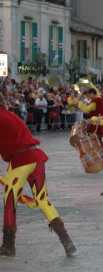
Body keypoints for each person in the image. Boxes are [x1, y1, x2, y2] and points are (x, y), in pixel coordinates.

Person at [0, 93, 76, 257]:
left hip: (20, 161)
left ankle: (8, 245)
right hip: (35, 158)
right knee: (42, 201)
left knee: (9, 201)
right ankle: (67, 241)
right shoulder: (9, 115)